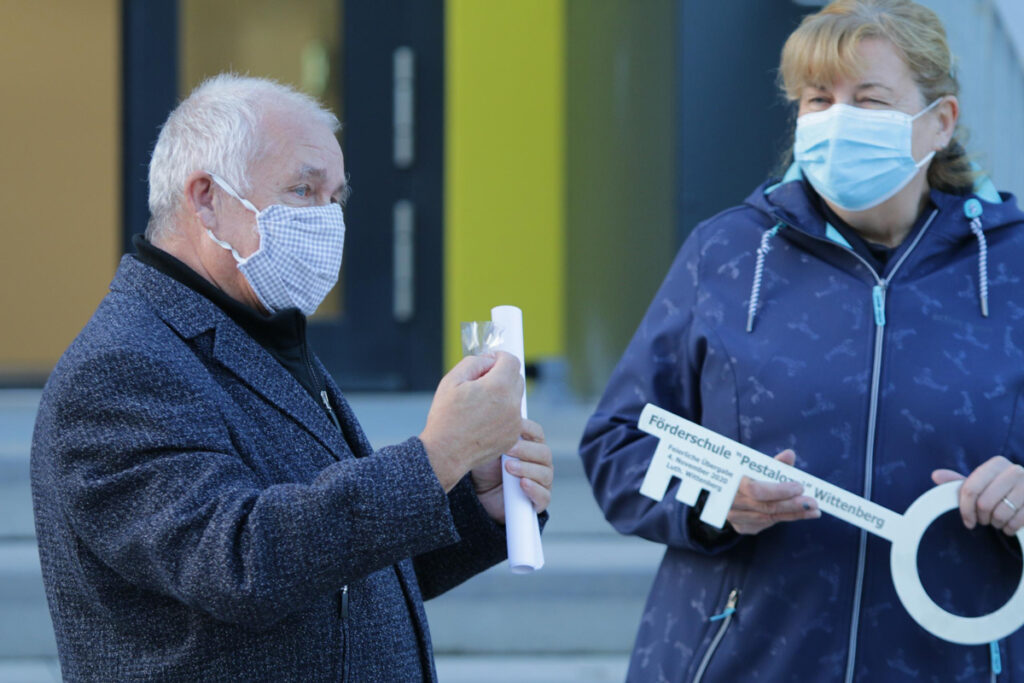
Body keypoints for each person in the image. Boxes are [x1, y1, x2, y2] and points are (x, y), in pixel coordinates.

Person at [31, 74, 553, 681]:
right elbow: (241, 563)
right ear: (205, 198)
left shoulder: (255, 328)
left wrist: (474, 499)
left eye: (336, 197)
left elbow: (344, 574)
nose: (328, 219)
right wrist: (437, 456)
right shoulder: (121, 367)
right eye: (304, 189)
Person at [579, 1, 1024, 680]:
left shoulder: (1013, 265)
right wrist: (715, 498)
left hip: (955, 659)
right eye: (819, 98)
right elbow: (617, 444)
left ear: (941, 122)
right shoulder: (724, 255)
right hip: (745, 659)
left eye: (869, 99)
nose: (838, 119)